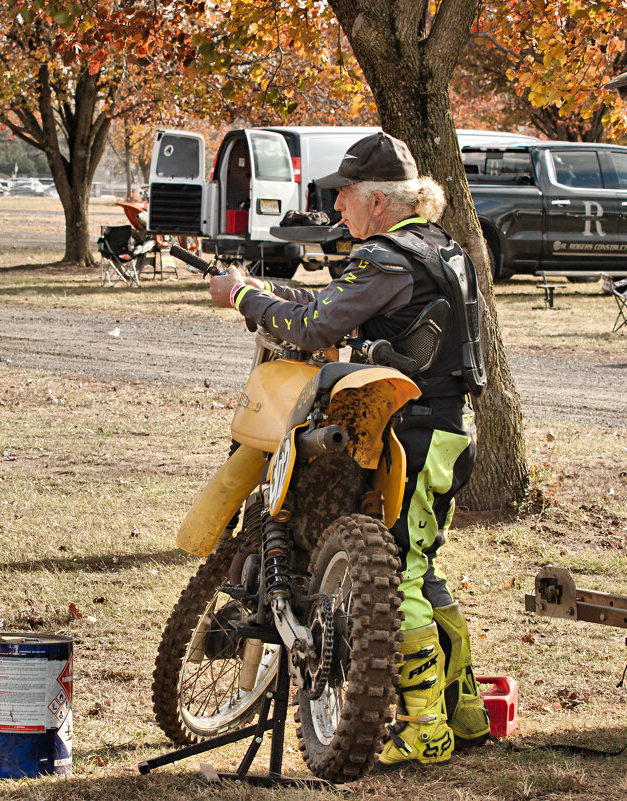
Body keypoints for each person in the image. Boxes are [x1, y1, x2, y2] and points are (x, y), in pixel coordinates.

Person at [208, 131, 489, 767]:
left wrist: (245, 297)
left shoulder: (388, 257)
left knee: (405, 580)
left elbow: (315, 326)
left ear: (378, 201)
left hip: (417, 435)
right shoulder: (441, 247)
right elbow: (335, 305)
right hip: (445, 430)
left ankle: (425, 731)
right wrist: (264, 290)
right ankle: (464, 712)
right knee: (422, 567)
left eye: (344, 197)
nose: (337, 210)